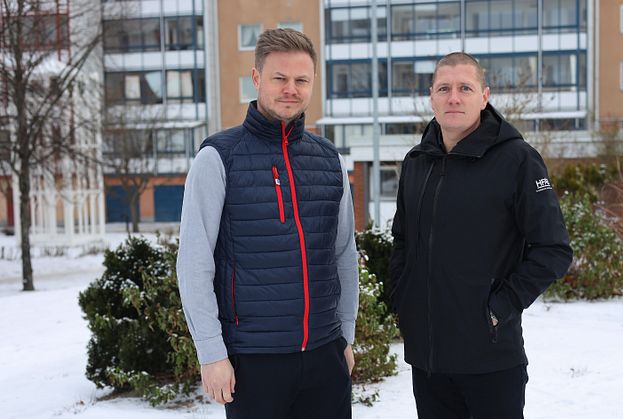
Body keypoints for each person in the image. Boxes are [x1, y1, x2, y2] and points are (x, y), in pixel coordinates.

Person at [176, 28, 358, 419]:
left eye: (301, 80)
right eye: (279, 78)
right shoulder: (218, 157)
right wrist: (211, 353)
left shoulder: (329, 159)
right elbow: (194, 262)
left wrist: (346, 335)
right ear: (256, 78)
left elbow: (343, 253)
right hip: (254, 362)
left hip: (326, 355)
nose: (290, 89)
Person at [389, 52, 573, 419]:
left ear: (484, 96)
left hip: (490, 360)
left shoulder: (517, 160)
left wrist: (499, 307)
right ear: (432, 96)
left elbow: (553, 249)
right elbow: (402, 241)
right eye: (444, 88)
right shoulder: (416, 162)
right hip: (429, 362)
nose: (453, 97)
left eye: (464, 88)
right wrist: (401, 300)